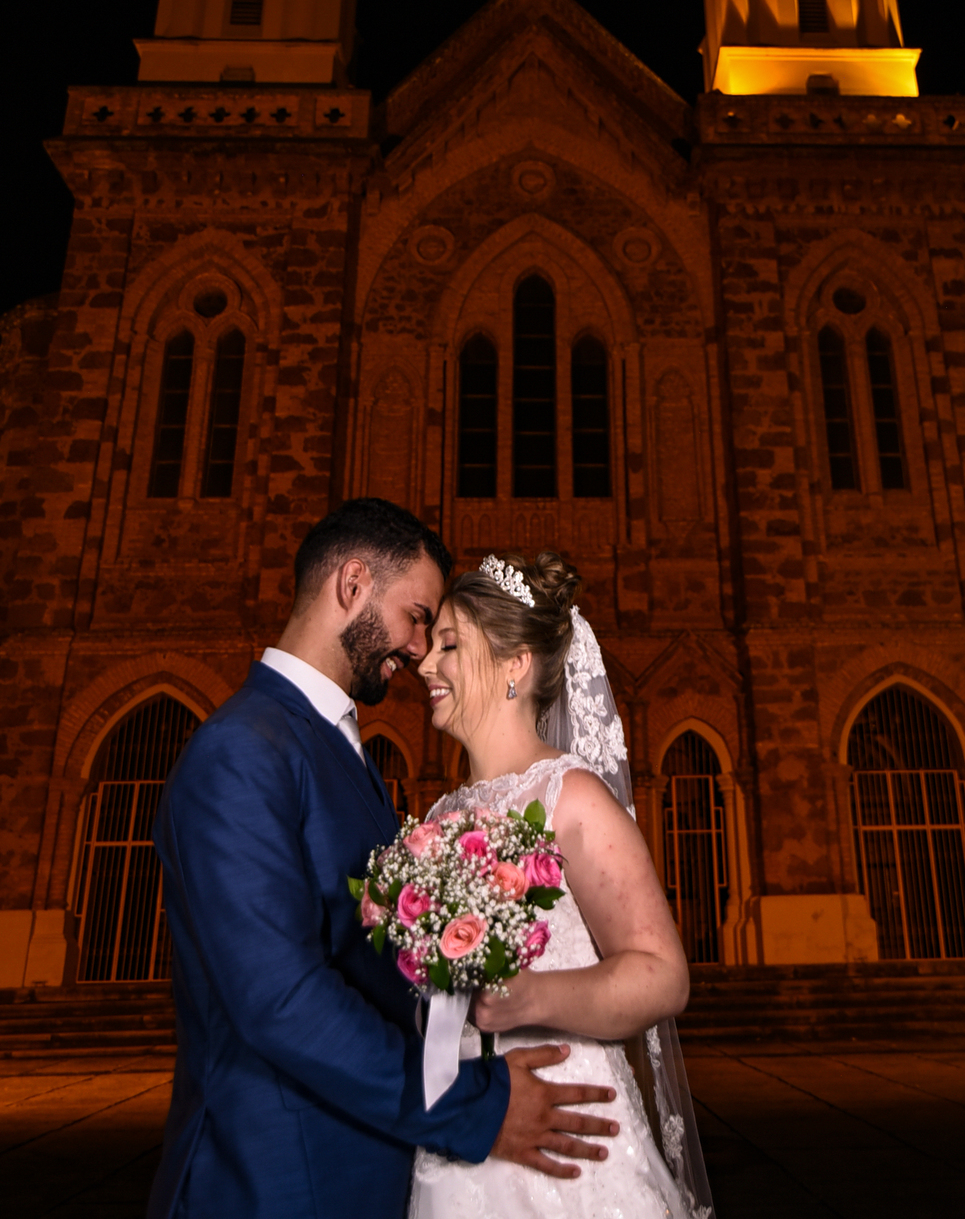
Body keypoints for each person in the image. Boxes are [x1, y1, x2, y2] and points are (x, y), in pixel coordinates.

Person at [147, 500, 620, 1219]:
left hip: (362, 1161)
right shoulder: (242, 750)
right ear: (353, 584)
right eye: (418, 615)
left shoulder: (334, 745)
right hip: (276, 1179)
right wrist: (477, 1107)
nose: (420, 648)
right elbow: (279, 1001)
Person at [409, 550, 715, 1218]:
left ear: (515, 663)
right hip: (464, 1128)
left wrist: (529, 997)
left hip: (565, 1134)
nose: (426, 664)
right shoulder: (440, 817)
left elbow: (664, 975)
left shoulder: (569, 798)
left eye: (450, 645)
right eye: (431, 645)